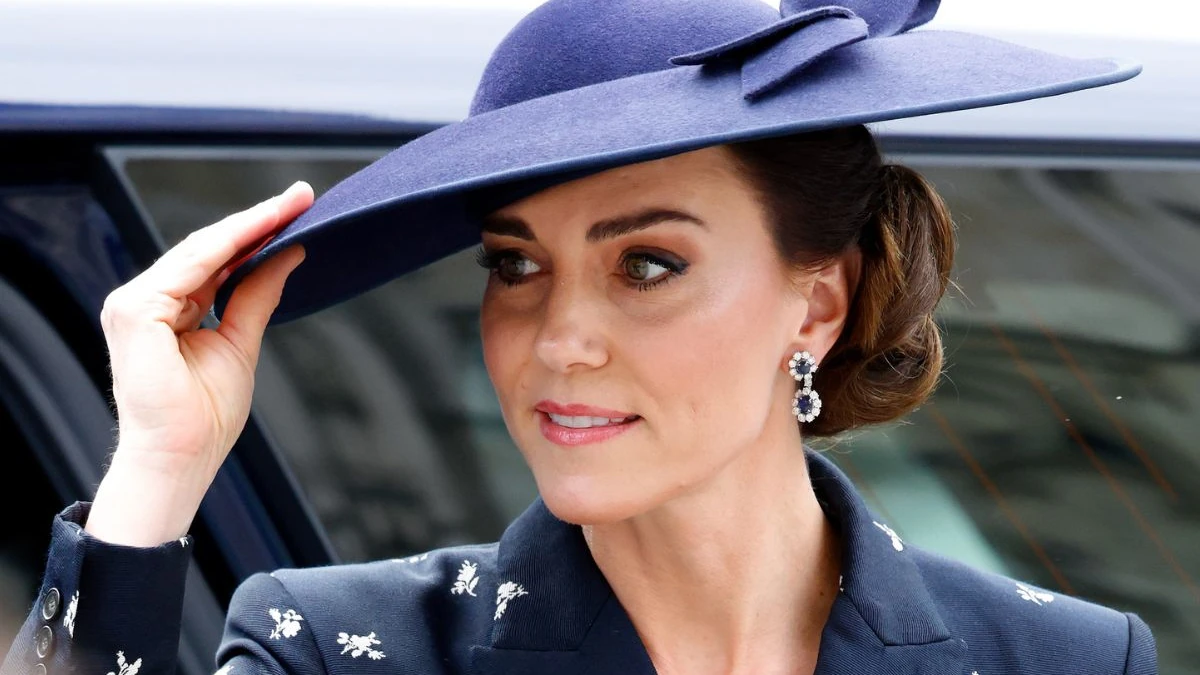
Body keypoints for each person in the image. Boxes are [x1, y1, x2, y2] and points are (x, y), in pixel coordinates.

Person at [2, 0, 1156, 673]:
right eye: (515, 265)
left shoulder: (1062, 659)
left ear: (817, 304)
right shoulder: (343, 648)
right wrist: (156, 473)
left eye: (646, 265)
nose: (558, 340)